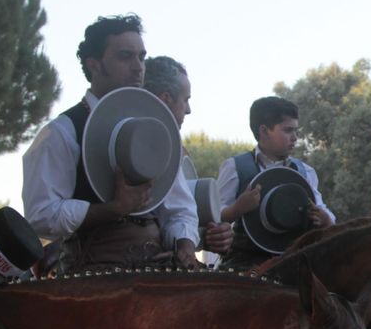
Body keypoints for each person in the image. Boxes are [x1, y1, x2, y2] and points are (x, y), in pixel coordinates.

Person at [22, 15, 230, 269]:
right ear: (94, 65)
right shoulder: (62, 132)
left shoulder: (156, 128)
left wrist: (184, 246)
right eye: (125, 56)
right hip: (93, 275)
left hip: (159, 268)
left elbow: (179, 208)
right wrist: (113, 209)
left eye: (141, 57)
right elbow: (41, 214)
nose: (138, 67)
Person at [216, 95, 335, 268]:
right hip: (244, 263)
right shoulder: (235, 167)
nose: (295, 137)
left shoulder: (305, 173)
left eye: (296, 131)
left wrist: (326, 220)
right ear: (264, 131)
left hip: (294, 262)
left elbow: (322, 210)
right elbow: (214, 215)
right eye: (288, 130)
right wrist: (236, 210)